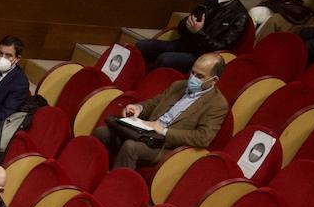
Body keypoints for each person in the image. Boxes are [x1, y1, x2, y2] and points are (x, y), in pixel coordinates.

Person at [91, 53, 229, 170]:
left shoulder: (217, 104)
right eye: (192, 72)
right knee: (102, 132)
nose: (193, 78)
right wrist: (139, 108)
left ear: (214, 80)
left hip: (167, 146)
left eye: (199, 76)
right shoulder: (179, 85)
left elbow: (202, 137)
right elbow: (155, 103)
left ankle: (115, 189)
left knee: (130, 147)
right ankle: (89, 175)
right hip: (145, 132)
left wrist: (163, 131)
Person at [137, 0, 250, 71]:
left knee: (164, 58)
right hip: (185, 44)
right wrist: (187, 25)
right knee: (143, 45)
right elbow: (183, 24)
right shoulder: (209, 1)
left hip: (202, 56)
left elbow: (221, 47)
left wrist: (199, 32)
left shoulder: (240, 16)